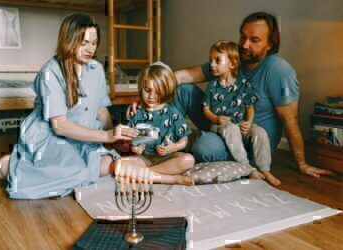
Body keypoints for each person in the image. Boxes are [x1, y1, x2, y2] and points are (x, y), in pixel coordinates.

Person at [129, 12, 334, 178]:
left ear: (270, 43)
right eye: (242, 37)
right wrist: (149, 93)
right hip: (219, 125)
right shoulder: (230, 59)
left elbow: (291, 120)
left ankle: (243, 164)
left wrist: (303, 164)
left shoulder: (278, 70)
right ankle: (156, 146)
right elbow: (182, 76)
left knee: (203, 148)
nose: (244, 45)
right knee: (183, 90)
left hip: (248, 140)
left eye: (254, 40)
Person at [0, 13, 139, 199]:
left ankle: (46, 169)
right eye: (84, 43)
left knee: (106, 164)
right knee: (77, 172)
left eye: (94, 43)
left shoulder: (96, 70)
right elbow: (59, 125)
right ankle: (10, 166)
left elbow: (101, 111)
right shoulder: (51, 72)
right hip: (52, 137)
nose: (90, 49)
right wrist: (106, 135)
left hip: (85, 135)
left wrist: (114, 142)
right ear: (69, 40)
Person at [203, 40, 280, 186]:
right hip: (220, 126)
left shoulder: (243, 84)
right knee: (230, 128)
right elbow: (205, 109)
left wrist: (249, 122)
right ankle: (247, 168)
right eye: (211, 60)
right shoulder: (212, 86)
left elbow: (250, 106)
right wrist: (215, 118)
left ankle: (265, 169)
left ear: (232, 64)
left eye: (217, 60)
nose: (212, 64)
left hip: (240, 124)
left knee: (260, 132)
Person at [116, 62, 195, 186]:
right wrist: (133, 148)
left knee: (189, 160)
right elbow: (124, 141)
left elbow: (184, 139)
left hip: (168, 158)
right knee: (118, 165)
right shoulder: (135, 113)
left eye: (157, 92)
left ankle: (143, 174)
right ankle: (170, 178)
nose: (151, 96)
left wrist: (175, 147)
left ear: (166, 90)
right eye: (147, 90)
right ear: (141, 88)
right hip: (143, 159)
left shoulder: (172, 112)